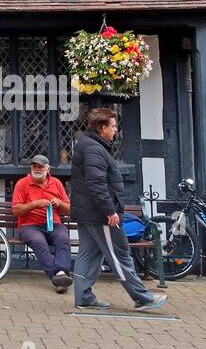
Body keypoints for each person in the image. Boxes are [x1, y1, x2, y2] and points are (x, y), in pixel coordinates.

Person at [70, 108, 168, 311]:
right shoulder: (94, 149)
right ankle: (142, 297)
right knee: (120, 254)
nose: (116, 130)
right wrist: (109, 211)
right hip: (100, 215)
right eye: (113, 126)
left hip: (88, 212)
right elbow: (96, 184)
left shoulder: (91, 146)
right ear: (102, 128)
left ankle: (83, 297)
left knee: (88, 254)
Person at [12, 153, 73, 292]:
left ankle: (61, 272)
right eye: (35, 166)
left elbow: (69, 209)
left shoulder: (56, 183)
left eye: (40, 166)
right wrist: (35, 204)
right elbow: (16, 210)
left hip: (54, 223)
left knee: (63, 238)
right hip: (29, 225)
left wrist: (59, 203)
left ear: (48, 169)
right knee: (38, 241)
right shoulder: (22, 183)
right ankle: (58, 276)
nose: (37, 169)